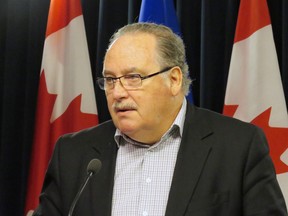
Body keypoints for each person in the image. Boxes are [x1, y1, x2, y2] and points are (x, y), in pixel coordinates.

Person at [33, 22, 287, 216]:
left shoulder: (238, 146)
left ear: (174, 80)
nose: (118, 93)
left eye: (134, 78)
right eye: (110, 80)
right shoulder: (73, 154)